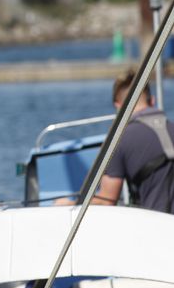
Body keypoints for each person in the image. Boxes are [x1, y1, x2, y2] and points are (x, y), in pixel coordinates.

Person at [57, 69, 174, 213]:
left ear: (118, 105)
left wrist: (69, 204)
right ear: (152, 101)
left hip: (156, 226)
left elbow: (107, 200)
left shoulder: (120, 140)